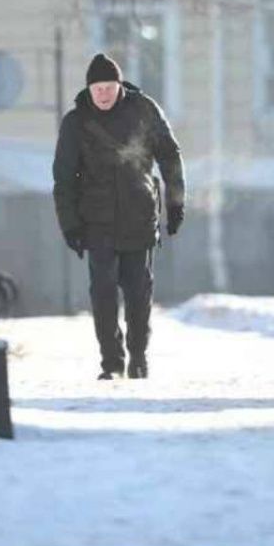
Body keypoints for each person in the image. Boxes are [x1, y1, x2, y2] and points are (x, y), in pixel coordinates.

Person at [52, 53, 185, 380]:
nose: (103, 94)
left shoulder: (144, 110)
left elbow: (170, 155)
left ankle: (138, 356)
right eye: (97, 88)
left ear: (119, 85)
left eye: (108, 87)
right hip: (96, 221)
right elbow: (64, 178)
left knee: (139, 291)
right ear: (89, 89)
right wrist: (69, 225)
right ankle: (111, 361)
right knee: (103, 291)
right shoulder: (76, 122)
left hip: (139, 215)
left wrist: (175, 202)